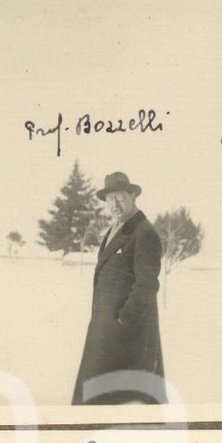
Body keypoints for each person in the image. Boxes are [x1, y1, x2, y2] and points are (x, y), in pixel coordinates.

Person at [71, 171, 166, 405]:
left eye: (120, 197)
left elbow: (147, 285)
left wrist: (124, 319)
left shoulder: (144, 233)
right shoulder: (117, 228)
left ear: (133, 196)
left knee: (121, 403)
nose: (114, 204)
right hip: (107, 331)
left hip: (127, 336)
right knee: (98, 399)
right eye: (110, 198)